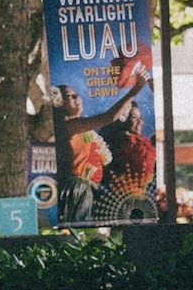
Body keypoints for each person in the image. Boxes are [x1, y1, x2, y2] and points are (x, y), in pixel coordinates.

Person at [54, 66, 148, 223]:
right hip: (77, 188)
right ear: (58, 103)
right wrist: (135, 90)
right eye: (70, 96)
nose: (77, 98)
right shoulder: (67, 126)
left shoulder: (87, 131)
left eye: (77, 95)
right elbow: (109, 117)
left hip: (91, 190)